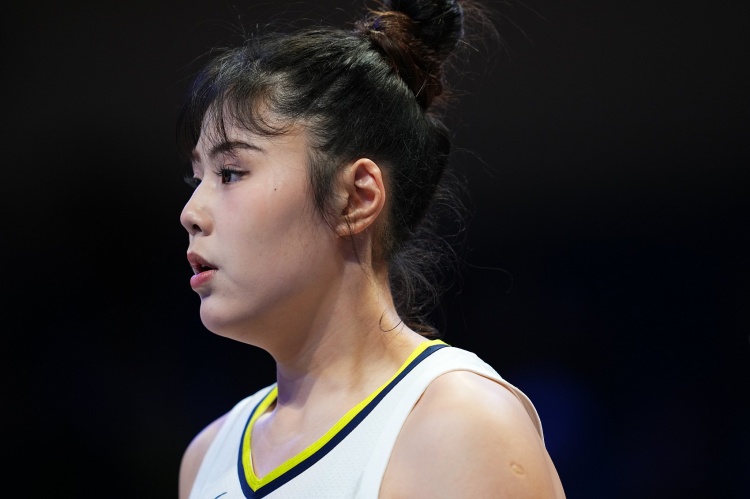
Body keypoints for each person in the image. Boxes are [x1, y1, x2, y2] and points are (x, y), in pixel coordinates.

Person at [176, 0, 566, 497]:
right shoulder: (206, 457)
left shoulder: (462, 426)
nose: (191, 212)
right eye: (197, 179)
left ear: (356, 198)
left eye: (230, 173)